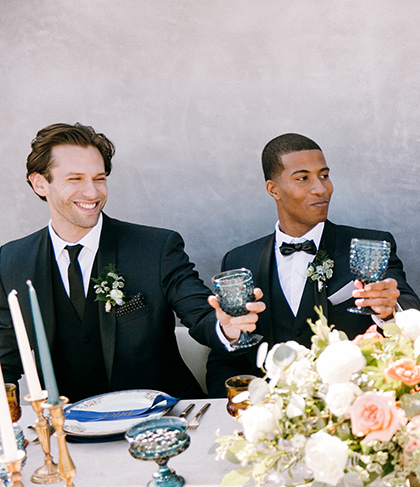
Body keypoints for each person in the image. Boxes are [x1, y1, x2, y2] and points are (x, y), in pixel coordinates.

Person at [0, 122, 263, 401]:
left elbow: (201, 315)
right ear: (40, 184)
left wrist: (228, 328)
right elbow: (5, 359)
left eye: (99, 178)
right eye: (75, 179)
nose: (92, 193)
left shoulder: (157, 248)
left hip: (166, 420)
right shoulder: (11, 261)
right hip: (69, 433)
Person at [205, 133, 420, 395]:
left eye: (324, 175)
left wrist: (389, 311)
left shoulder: (371, 244)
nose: (321, 188)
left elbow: (414, 315)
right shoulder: (240, 261)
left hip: (352, 407)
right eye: (303, 178)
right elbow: (225, 361)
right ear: (273, 189)